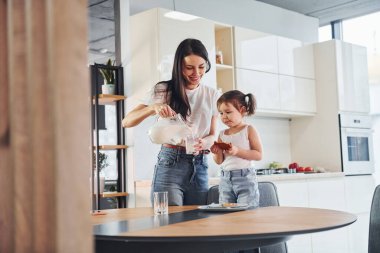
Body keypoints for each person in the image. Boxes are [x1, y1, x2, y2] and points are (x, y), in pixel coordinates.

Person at [122, 38, 221, 205]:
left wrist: (204, 142)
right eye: (189, 67)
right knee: (168, 222)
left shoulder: (212, 95)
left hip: (200, 165)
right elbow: (126, 122)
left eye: (201, 67)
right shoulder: (163, 90)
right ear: (179, 67)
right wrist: (153, 108)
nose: (196, 73)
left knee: (198, 224)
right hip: (170, 164)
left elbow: (213, 135)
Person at [210, 90, 263, 208]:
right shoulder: (222, 134)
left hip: (245, 179)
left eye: (228, 112)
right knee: (227, 216)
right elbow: (219, 161)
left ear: (242, 110)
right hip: (225, 179)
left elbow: (258, 155)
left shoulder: (249, 129)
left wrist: (237, 151)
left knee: (247, 214)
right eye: (221, 113)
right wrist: (217, 153)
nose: (224, 117)